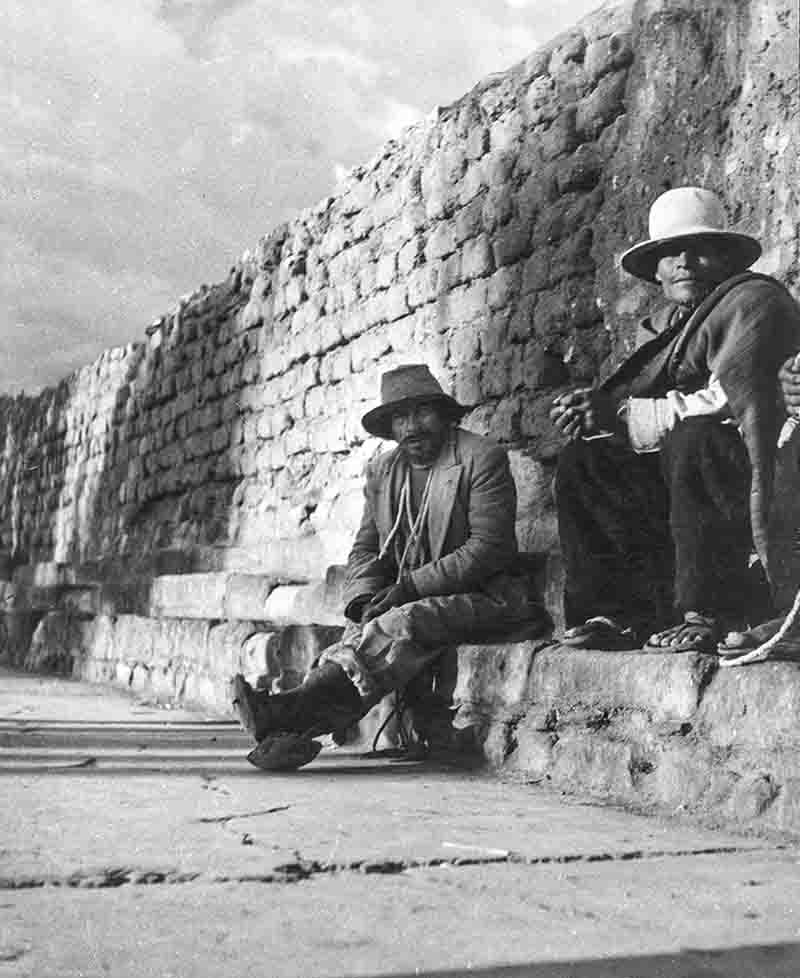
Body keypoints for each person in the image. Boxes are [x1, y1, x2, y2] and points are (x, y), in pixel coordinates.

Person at [232, 363, 549, 770]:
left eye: (421, 413)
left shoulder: (479, 458)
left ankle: (287, 716)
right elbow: (365, 547)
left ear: (443, 413)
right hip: (405, 597)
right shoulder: (384, 471)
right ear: (390, 427)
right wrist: (364, 597)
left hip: (488, 598)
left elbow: (487, 550)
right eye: (400, 417)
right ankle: (288, 731)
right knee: (360, 632)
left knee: (401, 623)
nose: (412, 427)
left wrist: (408, 588)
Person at [550, 186, 800, 652]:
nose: (682, 262)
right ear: (657, 273)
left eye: (698, 249)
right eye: (669, 254)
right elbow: (635, 409)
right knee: (585, 461)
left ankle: (708, 609)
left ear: (726, 257)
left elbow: (732, 401)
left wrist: (624, 416)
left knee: (695, 437)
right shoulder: (663, 329)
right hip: (678, 475)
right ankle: (621, 611)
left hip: (747, 469)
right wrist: (598, 420)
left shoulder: (755, 304)